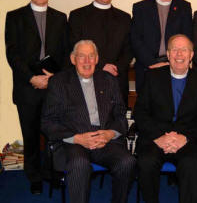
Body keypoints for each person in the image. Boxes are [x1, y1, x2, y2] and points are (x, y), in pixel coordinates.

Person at [41, 40, 136, 203]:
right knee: (80, 164)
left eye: (91, 56)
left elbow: (121, 114)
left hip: (104, 140)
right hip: (73, 142)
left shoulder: (109, 80)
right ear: (73, 59)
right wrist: (77, 138)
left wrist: (109, 134)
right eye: (81, 56)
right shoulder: (58, 82)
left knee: (127, 162)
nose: (87, 61)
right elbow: (47, 121)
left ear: (97, 59)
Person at [5, 0, 68, 194]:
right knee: (31, 134)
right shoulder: (14, 17)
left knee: (52, 133)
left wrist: (53, 78)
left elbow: (64, 52)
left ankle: (52, 173)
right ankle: (34, 176)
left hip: (53, 87)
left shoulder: (61, 18)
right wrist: (32, 77)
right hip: (27, 87)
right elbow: (13, 55)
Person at [134, 34, 197, 203]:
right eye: (174, 50)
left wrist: (185, 137)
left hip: (187, 139)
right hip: (156, 137)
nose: (179, 54)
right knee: (146, 162)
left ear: (191, 55)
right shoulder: (152, 77)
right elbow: (140, 112)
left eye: (184, 50)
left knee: (191, 163)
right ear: (168, 54)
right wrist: (160, 136)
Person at [69, 0, 132, 104]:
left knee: (117, 123)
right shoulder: (77, 16)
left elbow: (129, 48)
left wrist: (115, 68)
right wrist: (102, 65)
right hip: (87, 79)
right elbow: (74, 47)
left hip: (117, 80)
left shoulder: (124, 18)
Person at [131, 0, 192, 92]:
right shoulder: (140, 8)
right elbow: (135, 40)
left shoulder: (184, 7)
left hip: (175, 68)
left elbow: (187, 39)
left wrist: (172, 64)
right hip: (147, 68)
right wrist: (153, 64)